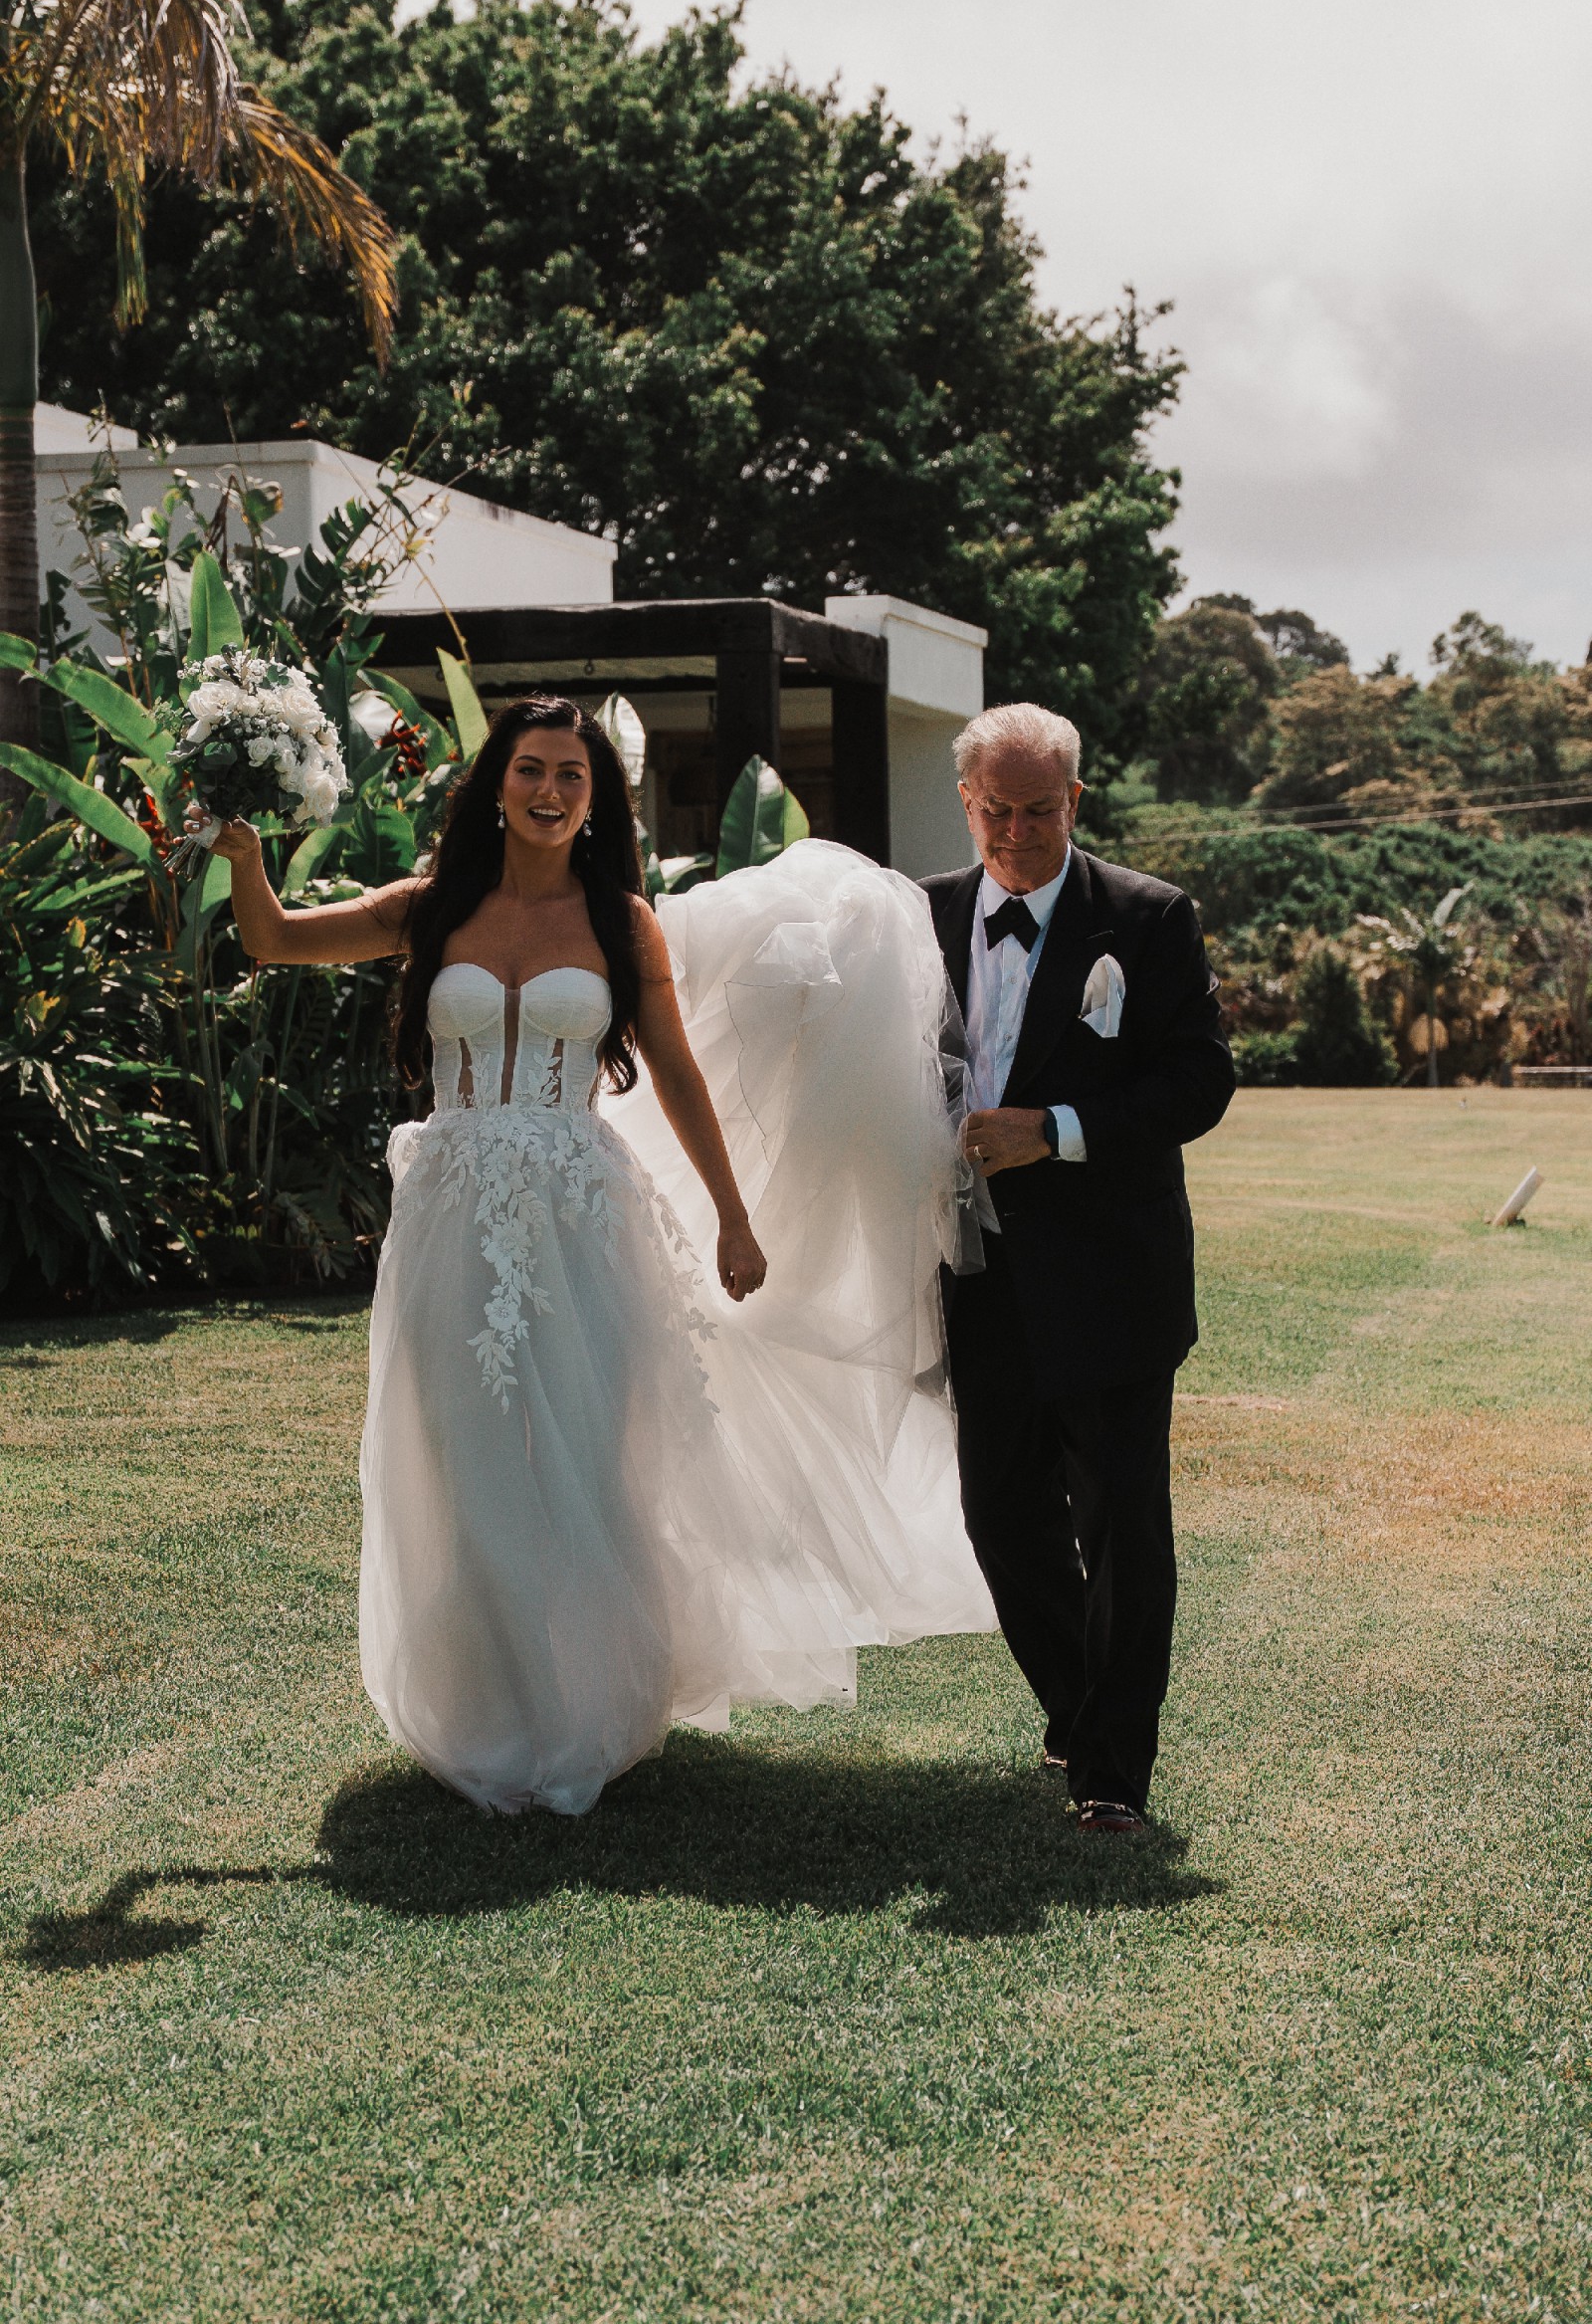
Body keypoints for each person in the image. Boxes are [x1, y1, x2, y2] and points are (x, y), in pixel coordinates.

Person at [212, 694, 992, 1816]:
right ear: (497, 786)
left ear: (595, 800)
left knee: (587, 1452)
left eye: (571, 777)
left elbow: (673, 1071)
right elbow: (274, 938)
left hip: (583, 1214)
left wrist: (732, 1216)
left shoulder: (621, 924)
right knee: (462, 1452)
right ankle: (487, 1702)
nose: (549, 791)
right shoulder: (431, 908)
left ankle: (586, 1704)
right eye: (531, 770)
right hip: (452, 1216)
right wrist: (247, 861)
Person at [922, 702, 1235, 1834]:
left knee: (1120, 1526)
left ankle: (1111, 1773)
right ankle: (1076, 1706)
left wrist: (1053, 1130)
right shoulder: (923, 915)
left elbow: (1199, 1082)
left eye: (1039, 811)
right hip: (976, 1272)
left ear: (1076, 801)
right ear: (967, 803)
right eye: (995, 811)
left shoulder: (1148, 918)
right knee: (1000, 1517)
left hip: (1111, 1275)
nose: (1015, 833)